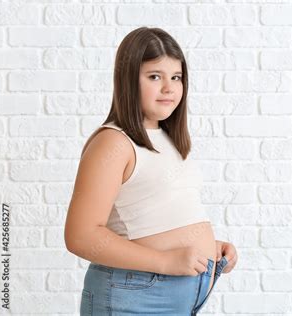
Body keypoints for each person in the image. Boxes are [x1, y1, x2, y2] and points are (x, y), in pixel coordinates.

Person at [64, 26, 237, 315]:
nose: (169, 87)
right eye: (155, 76)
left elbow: (155, 219)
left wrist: (210, 248)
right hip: (135, 297)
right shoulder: (113, 142)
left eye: (176, 77)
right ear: (128, 80)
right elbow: (80, 236)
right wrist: (166, 261)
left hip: (180, 294)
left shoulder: (167, 138)